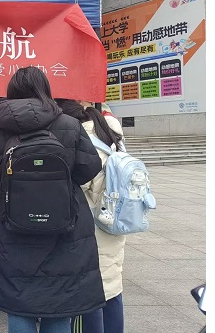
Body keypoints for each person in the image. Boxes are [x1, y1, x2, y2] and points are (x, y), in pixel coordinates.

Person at [0, 66, 105, 333]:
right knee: (60, 304)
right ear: (45, 89)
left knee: (19, 303)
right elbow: (89, 167)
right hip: (65, 228)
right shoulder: (69, 124)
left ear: (12, 92)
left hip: (12, 230)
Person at [56, 98, 126, 333]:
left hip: (91, 230)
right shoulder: (110, 136)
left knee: (89, 294)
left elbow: (77, 186)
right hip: (114, 225)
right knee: (112, 288)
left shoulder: (84, 144)